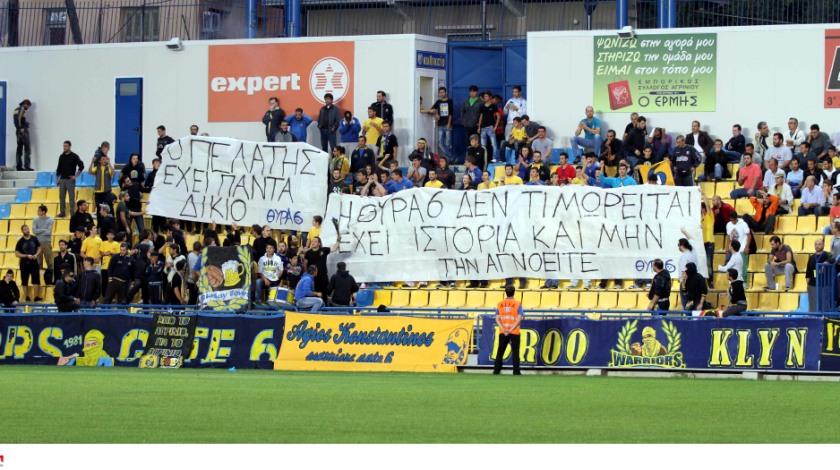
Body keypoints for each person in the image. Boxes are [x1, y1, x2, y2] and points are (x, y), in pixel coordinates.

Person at [493, 285, 522, 376]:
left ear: (505, 292)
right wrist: (511, 329)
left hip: (503, 331)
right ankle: (516, 371)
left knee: (500, 352)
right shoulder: (518, 304)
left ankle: (496, 371)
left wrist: (503, 329)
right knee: (515, 352)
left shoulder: (500, 304)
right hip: (514, 332)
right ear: (514, 292)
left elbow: (497, 318)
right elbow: (519, 318)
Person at [55, 140, 84, 217]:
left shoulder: (74, 156)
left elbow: (81, 166)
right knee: (61, 197)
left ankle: (72, 213)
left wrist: (76, 176)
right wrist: (57, 179)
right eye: (64, 146)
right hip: (62, 180)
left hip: (70, 180)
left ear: (70, 147)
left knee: (71, 198)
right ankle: (62, 212)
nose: (64, 147)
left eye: (66, 146)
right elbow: (58, 169)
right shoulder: (61, 156)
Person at [805, 238, 833, 312]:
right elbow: (808, 272)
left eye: (819, 244)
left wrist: (826, 263)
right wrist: (807, 285)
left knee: (825, 304)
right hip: (813, 284)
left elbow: (833, 259)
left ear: (823, 245)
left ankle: (824, 317)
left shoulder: (827, 255)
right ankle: (812, 317)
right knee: (813, 304)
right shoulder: (811, 257)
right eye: (816, 244)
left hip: (825, 284)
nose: (817, 246)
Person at [15, 224, 41, 302]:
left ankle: (36, 297)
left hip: (34, 263)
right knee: (24, 281)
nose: (27, 230)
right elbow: (17, 253)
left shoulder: (34, 238)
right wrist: (26, 256)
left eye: (27, 229)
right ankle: (27, 297)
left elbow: (39, 248)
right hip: (24, 264)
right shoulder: (20, 241)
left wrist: (36, 254)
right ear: (22, 231)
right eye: (25, 229)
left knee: (36, 280)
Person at [427, 86, 453, 158]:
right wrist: (435, 114)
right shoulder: (438, 102)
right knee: (440, 144)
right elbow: (431, 110)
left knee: (448, 143)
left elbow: (451, 113)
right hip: (440, 124)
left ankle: (449, 158)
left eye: (443, 92)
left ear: (446, 93)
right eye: (440, 92)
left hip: (447, 124)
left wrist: (449, 123)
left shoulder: (449, 101)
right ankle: (450, 157)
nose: (441, 94)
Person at [31, 205, 54, 285]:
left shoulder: (50, 220)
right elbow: (34, 231)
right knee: (38, 262)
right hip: (37, 244)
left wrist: (39, 230)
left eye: (39, 211)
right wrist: (44, 230)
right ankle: (38, 281)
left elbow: (49, 232)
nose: (37, 212)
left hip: (46, 243)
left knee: (50, 262)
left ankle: (51, 280)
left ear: (43, 212)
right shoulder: (35, 219)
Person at [477, 91, 500, 160]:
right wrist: (479, 127)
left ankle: (495, 158)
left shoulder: (493, 106)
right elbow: (481, 117)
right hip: (483, 128)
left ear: (490, 97)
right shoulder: (482, 106)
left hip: (490, 127)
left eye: (486, 96)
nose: (485, 98)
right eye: (484, 96)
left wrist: (495, 127)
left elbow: (498, 116)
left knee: (494, 144)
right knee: (483, 146)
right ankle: (483, 159)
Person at [13, 99, 33, 171]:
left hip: (18, 131)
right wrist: (21, 128)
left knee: (19, 149)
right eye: (28, 106)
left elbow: (17, 120)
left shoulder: (16, 109)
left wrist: (25, 124)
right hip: (23, 131)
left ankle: (19, 166)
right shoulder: (21, 109)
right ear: (25, 104)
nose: (28, 108)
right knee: (27, 149)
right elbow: (18, 119)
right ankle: (27, 166)